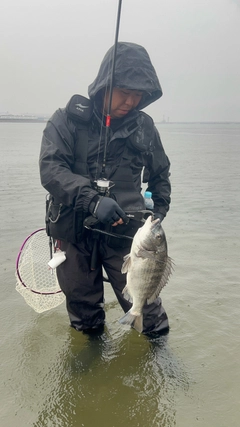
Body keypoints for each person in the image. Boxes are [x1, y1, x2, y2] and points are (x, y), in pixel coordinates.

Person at [39, 42, 171, 336]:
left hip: (125, 231)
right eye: (125, 93)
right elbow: (51, 170)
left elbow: (160, 174)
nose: (131, 102)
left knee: (148, 314)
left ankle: (161, 367)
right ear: (105, 86)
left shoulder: (145, 127)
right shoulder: (65, 121)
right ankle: (90, 366)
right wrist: (92, 200)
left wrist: (159, 211)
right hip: (73, 233)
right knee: (85, 316)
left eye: (138, 96)